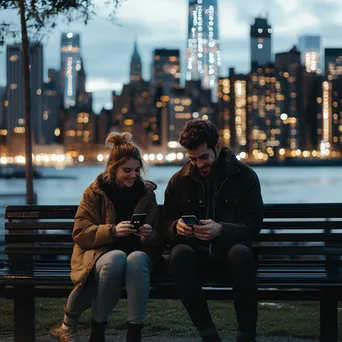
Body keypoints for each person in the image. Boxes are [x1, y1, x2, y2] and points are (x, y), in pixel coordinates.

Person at [56, 132, 164, 342]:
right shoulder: (96, 192)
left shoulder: (146, 194)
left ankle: (134, 334)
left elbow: (159, 236)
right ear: (113, 168)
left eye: (136, 170)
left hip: (137, 253)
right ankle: (98, 330)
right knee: (116, 258)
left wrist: (148, 235)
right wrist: (112, 231)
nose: (133, 175)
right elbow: (80, 233)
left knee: (137, 259)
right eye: (127, 170)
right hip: (100, 254)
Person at [162, 119, 263, 342]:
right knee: (178, 254)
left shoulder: (245, 176)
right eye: (192, 159)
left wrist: (221, 229)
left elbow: (253, 224)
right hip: (195, 256)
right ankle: (208, 335)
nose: (198, 164)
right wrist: (175, 227)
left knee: (241, 254)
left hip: (230, 254)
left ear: (217, 147)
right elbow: (165, 222)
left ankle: (246, 336)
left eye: (203, 157)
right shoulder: (179, 181)